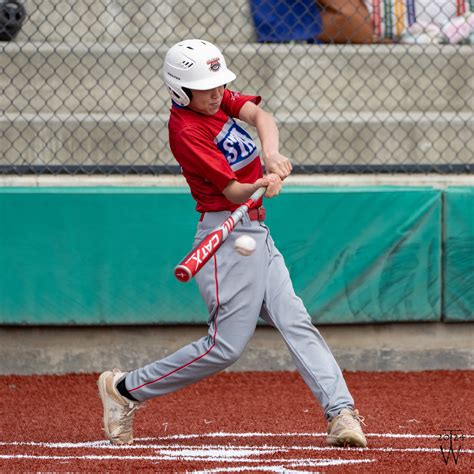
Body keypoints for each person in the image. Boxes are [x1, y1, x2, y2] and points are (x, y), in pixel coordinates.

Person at [97, 39, 367, 449]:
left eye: (219, 85)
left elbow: (261, 115)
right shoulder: (186, 129)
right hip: (227, 236)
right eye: (206, 88)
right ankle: (124, 390)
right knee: (224, 348)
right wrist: (261, 183)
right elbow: (236, 192)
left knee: (295, 321)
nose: (217, 93)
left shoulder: (215, 101)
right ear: (179, 90)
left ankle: (340, 412)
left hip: (255, 231)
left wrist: (271, 155)